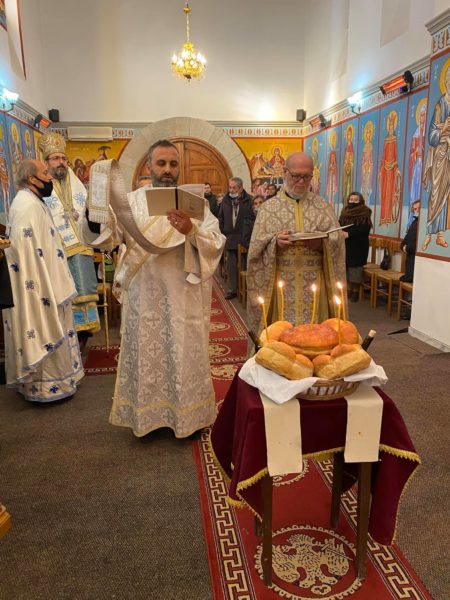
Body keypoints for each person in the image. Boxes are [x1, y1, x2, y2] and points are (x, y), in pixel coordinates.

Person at [81, 139, 225, 438]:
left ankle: (188, 419)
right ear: (149, 166)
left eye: (173, 164)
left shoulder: (195, 204)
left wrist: (191, 230)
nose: (167, 169)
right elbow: (108, 238)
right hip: (143, 294)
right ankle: (146, 419)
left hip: (183, 295)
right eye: (161, 163)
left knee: (183, 355)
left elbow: (215, 242)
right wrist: (95, 208)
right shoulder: (131, 203)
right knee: (147, 355)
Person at [3, 159, 83, 402]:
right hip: (40, 285)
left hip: (49, 278)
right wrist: (44, 288)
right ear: (31, 179)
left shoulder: (33, 201)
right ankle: (46, 387)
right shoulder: (27, 206)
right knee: (44, 327)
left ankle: (61, 381)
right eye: (45, 173)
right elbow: (26, 256)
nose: (49, 177)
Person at [247, 152, 346, 336]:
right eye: (296, 176)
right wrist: (275, 243)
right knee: (281, 339)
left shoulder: (323, 206)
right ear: (285, 172)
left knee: (315, 338)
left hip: (315, 284)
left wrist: (321, 244)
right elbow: (255, 248)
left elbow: (337, 242)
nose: (301, 182)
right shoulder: (268, 208)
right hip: (281, 285)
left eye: (306, 177)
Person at [38, 132, 100, 348]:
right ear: (46, 162)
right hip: (56, 251)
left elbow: (87, 209)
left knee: (84, 294)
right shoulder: (41, 184)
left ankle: (82, 340)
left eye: (64, 158)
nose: (61, 162)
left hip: (81, 250)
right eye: (56, 158)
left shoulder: (76, 182)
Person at [422, 63, 450, 250]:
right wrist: (444, 129)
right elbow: (431, 136)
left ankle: (439, 235)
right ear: (446, 82)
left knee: (446, 195)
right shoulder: (439, 106)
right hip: (439, 155)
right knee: (435, 194)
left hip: (448, 155)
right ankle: (428, 233)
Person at [218, 176, 253, 299]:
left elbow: (251, 218)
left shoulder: (249, 200)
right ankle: (232, 289)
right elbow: (221, 217)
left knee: (243, 264)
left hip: (243, 236)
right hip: (230, 236)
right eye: (230, 187)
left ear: (241, 188)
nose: (231, 190)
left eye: (234, 188)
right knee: (231, 265)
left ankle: (244, 288)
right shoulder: (226, 200)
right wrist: (223, 232)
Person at [339, 191, 373, 302]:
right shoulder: (345, 211)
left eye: (355, 200)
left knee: (356, 269)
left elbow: (365, 229)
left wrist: (349, 233)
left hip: (358, 245)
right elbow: (339, 224)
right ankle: (348, 289)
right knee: (347, 267)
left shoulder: (365, 212)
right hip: (346, 244)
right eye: (351, 199)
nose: (352, 202)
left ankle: (355, 292)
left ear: (360, 201)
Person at [378, 111, 401, 225]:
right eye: (390, 125)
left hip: (391, 171)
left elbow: (396, 157)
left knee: (391, 194)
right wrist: (380, 170)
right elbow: (383, 157)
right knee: (384, 194)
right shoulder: (386, 141)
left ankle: (389, 218)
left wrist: (395, 166)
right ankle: (383, 218)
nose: (391, 127)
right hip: (385, 170)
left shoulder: (395, 139)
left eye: (392, 125)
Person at [400, 200, 420, 283]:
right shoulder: (414, 222)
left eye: (419, 208)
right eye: (415, 209)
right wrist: (402, 246)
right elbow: (407, 237)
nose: (417, 211)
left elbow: (419, 242)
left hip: (416, 259)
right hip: (410, 258)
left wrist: (407, 248)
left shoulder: (423, 224)